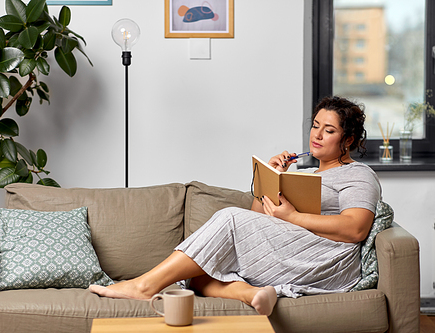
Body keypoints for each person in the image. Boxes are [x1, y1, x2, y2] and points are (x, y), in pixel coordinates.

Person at [89, 96, 382, 317]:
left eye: (328, 130)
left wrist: (293, 216)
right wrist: (272, 177)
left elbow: (355, 228)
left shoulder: (358, 174)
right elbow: (255, 219)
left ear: (348, 140)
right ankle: (254, 295)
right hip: (292, 247)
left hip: (327, 257)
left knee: (228, 217)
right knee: (200, 275)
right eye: (315, 126)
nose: (317, 135)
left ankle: (143, 286)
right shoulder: (304, 174)